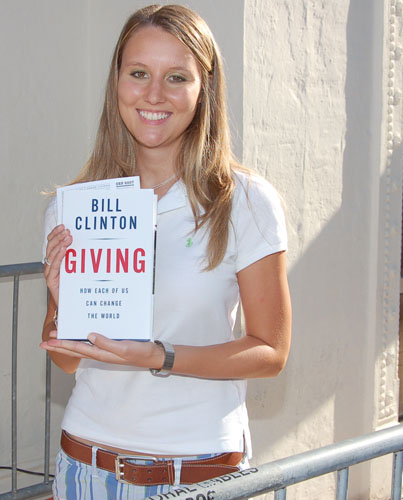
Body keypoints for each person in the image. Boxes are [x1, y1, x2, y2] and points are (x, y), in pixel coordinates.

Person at [40, 4, 291, 499]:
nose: (154, 95)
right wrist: (62, 308)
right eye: (138, 73)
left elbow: (271, 351)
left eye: (176, 76)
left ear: (204, 89)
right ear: (117, 82)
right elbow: (67, 361)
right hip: (86, 465)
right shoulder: (76, 206)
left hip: (197, 470)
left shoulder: (244, 201)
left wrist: (159, 356)